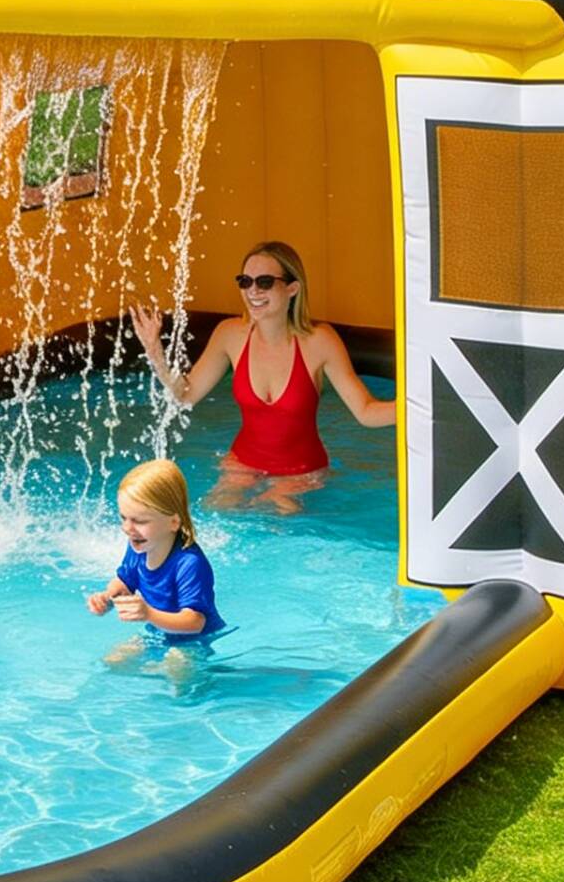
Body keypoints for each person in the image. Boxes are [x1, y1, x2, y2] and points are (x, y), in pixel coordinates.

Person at [129, 240, 394, 511]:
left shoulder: (320, 341)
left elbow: (366, 411)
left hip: (301, 471)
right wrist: (156, 354)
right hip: (243, 463)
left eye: (264, 282)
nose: (252, 291)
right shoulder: (230, 335)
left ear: (293, 288)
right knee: (214, 512)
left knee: (276, 512)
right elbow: (186, 395)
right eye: (245, 282)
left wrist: (415, 406)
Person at [86, 460, 222, 666]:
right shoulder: (138, 547)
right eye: (124, 518)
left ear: (173, 522)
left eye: (140, 521)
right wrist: (107, 598)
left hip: (194, 641)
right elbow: (125, 582)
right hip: (156, 632)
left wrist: (148, 613)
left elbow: (195, 622)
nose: (127, 528)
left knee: (176, 669)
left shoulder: (189, 563)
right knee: (112, 663)